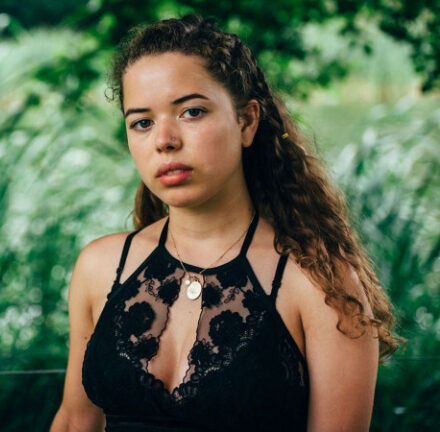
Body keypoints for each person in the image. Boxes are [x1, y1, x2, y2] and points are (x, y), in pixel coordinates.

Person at [49, 14, 400, 432]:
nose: (164, 140)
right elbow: (75, 420)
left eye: (192, 112)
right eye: (142, 122)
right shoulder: (101, 267)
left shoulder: (319, 283)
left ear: (246, 121)